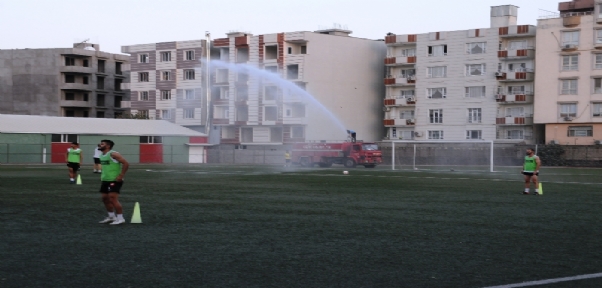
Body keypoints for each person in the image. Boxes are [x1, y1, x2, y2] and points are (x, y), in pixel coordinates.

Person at [97, 139, 129, 225]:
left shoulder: (113, 154)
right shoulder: (102, 155)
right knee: (105, 198)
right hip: (105, 180)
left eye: (102, 144)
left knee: (112, 198)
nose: (99, 145)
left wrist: (121, 175)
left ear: (108, 146)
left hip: (115, 180)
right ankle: (111, 217)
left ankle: (120, 218)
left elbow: (126, 163)